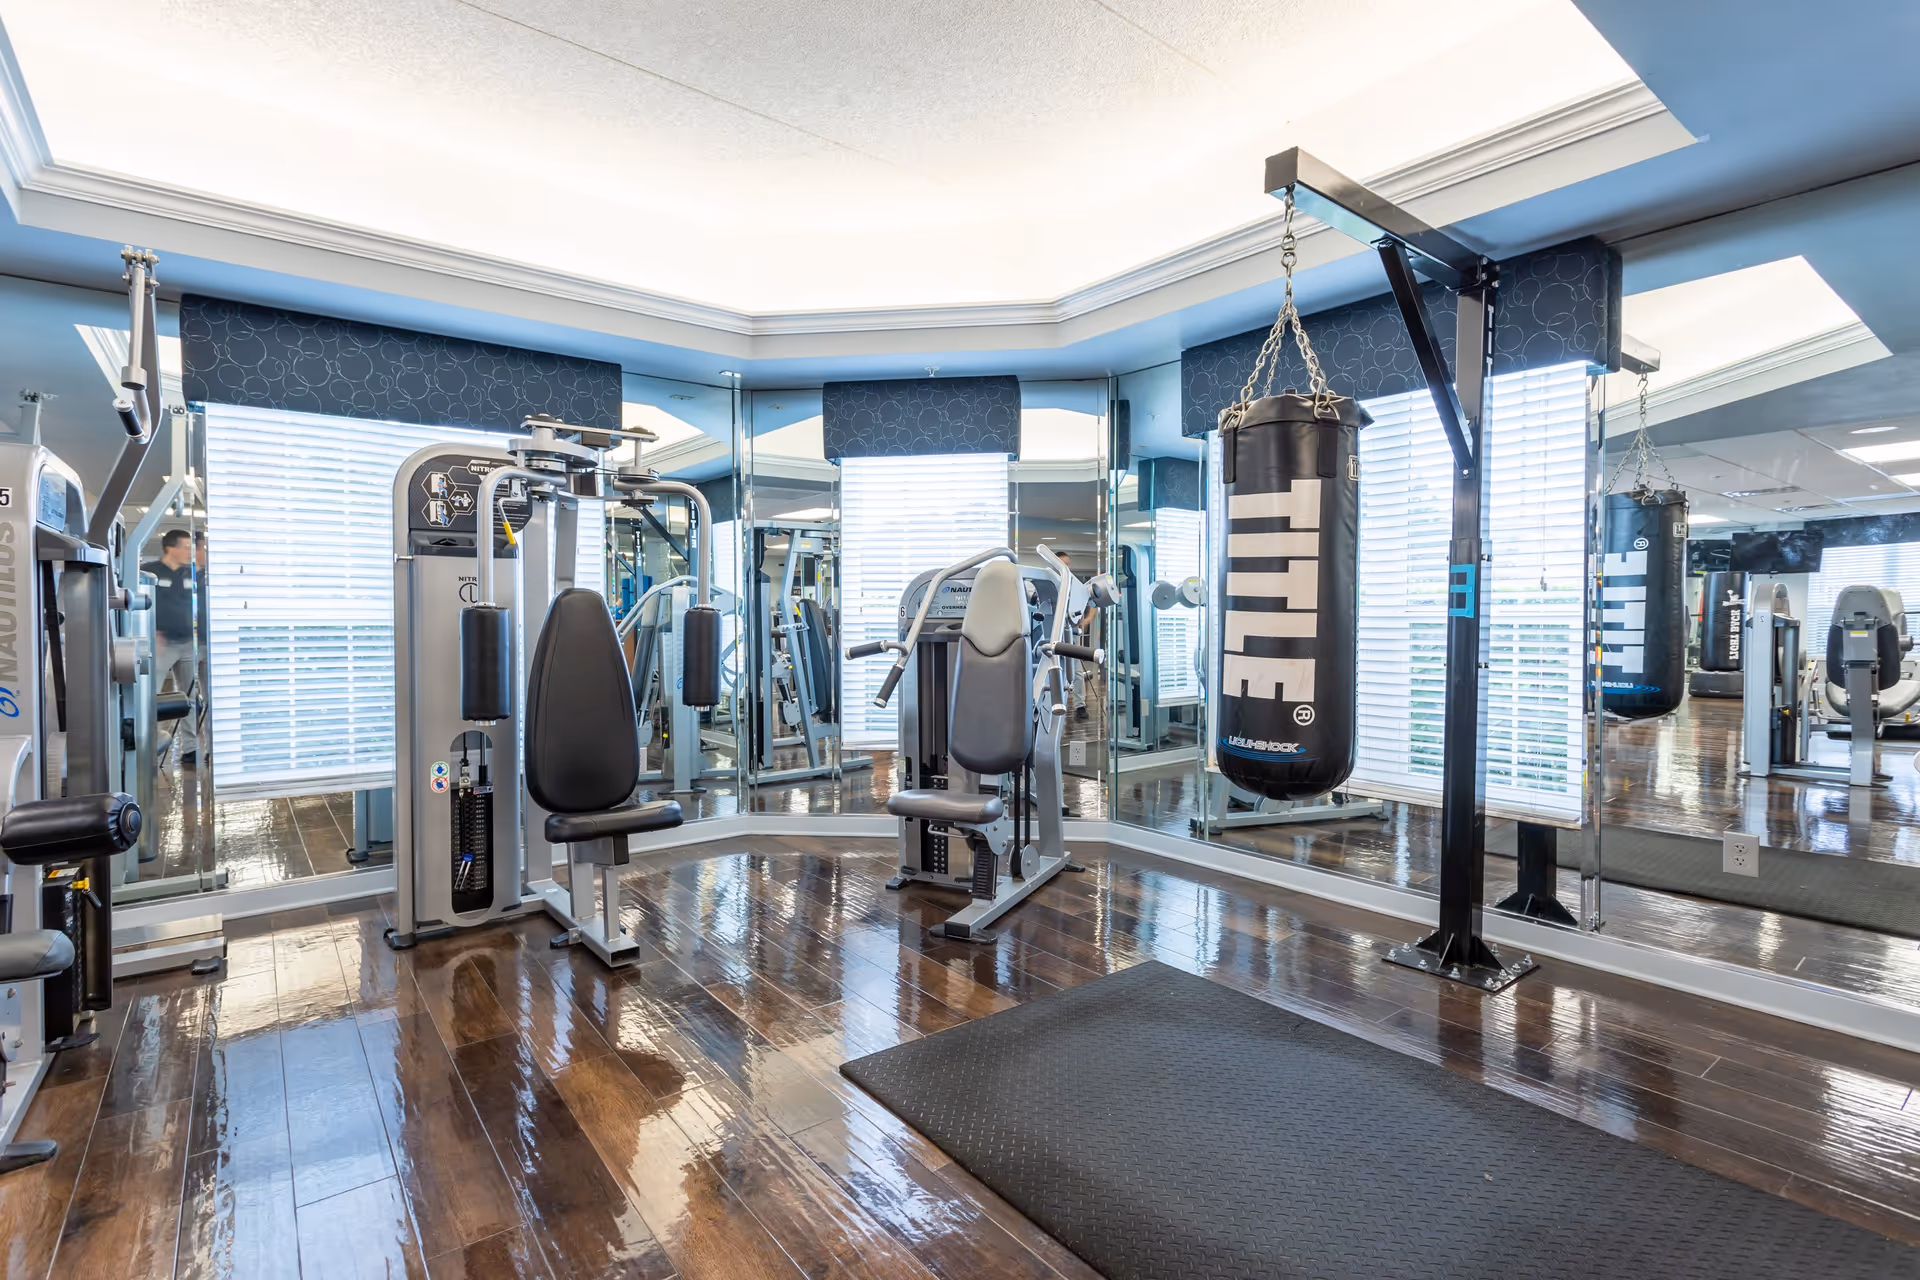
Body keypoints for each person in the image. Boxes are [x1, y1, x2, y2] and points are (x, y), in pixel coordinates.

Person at [142, 529, 199, 764]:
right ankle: (147, 746)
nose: (189, 552)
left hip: (187, 642)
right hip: (161, 645)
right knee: (150, 697)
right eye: (185, 547)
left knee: (189, 698)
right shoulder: (150, 573)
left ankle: (191, 748)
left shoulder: (190, 573)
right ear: (170, 548)